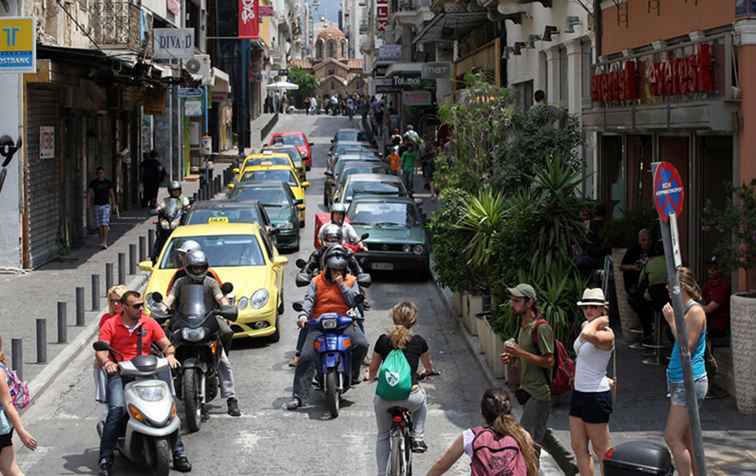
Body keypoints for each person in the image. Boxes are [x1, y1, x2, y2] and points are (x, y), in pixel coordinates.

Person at [96, 291, 191, 475]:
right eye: (136, 306)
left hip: (148, 372)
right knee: (116, 409)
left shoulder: (149, 322)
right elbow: (101, 351)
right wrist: (108, 363)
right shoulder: (111, 324)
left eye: (141, 305)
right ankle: (105, 457)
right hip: (121, 373)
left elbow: (165, 343)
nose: (141, 308)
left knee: (168, 409)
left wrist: (170, 355)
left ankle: (179, 453)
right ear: (124, 307)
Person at [500, 284, 579, 476]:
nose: (513, 303)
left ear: (530, 302)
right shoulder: (523, 326)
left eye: (517, 300)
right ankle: (573, 470)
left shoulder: (542, 328)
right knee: (542, 435)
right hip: (528, 390)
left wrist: (520, 352)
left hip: (539, 392)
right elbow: (527, 354)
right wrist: (512, 357)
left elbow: (548, 361)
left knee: (526, 441)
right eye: (513, 299)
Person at [284, 252, 369, 410]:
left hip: (344, 322)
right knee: (306, 355)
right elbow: (309, 299)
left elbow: (354, 301)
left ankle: (353, 374)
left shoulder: (351, 281)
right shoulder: (316, 281)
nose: (337, 273)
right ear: (326, 268)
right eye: (333, 270)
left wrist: (341, 285)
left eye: (340, 270)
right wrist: (303, 315)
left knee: (361, 343)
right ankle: (299, 397)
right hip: (319, 323)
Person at [162, 250, 241, 417]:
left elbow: (220, 298)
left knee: (224, 356)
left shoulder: (211, 282)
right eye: (194, 268)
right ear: (188, 267)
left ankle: (231, 398)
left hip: (207, 320)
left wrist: (225, 308)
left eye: (201, 268)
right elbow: (170, 298)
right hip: (185, 321)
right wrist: (162, 309)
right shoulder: (180, 282)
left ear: (205, 267)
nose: (198, 271)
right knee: (164, 340)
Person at [367, 302, 434, 476]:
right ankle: (418, 436)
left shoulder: (383, 340)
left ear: (393, 317)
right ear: (414, 321)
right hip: (410, 397)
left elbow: (373, 368)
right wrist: (426, 372)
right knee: (422, 398)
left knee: (382, 435)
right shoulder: (419, 341)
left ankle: (382, 473)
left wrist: (371, 377)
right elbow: (428, 367)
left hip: (385, 400)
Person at [427, 388, 537, 476]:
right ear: (509, 411)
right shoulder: (522, 435)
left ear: (482, 413)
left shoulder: (472, 436)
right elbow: (531, 469)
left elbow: (441, 466)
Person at [662, 267, 708, 476]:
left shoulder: (695, 311)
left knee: (672, 437)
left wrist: (672, 321)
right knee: (689, 440)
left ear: (682, 287)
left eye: (671, 285)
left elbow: (686, 346)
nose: (667, 289)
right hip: (680, 381)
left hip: (688, 381)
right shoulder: (686, 310)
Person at [570, 289, 615, 476]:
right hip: (579, 392)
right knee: (578, 447)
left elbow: (588, 335)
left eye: (594, 307)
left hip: (596, 395)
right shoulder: (585, 325)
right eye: (586, 306)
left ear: (602, 309)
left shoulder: (607, 334)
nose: (589, 310)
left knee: (602, 451)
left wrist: (599, 321)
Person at [0, 336, 38, 476]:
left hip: (2, 427)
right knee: (9, 469)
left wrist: (22, 432)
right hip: (4, 427)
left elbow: (8, 404)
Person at [701, 256, 729, 400]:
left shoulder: (723, 286)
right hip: (707, 323)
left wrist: (695, 307)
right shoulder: (708, 285)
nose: (711, 271)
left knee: (703, 339)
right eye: (709, 268)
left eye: (714, 268)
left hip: (718, 326)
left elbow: (709, 308)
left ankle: (709, 382)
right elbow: (700, 299)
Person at [620, 229, 654, 345]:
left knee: (646, 302)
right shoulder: (633, 250)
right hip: (634, 285)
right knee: (638, 301)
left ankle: (650, 330)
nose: (646, 243)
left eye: (648, 240)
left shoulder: (654, 250)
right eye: (643, 240)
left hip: (650, 285)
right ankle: (648, 331)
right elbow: (622, 266)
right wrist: (634, 267)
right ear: (639, 240)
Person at [88, 167, 117, 249]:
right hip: (97, 205)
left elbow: (111, 194)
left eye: (101, 173)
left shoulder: (108, 182)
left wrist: (114, 204)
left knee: (104, 223)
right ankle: (101, 240)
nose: (100, 174)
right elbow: (90, 193)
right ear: (96, 174)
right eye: (99, 173)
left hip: (106, 205)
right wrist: (88, 204)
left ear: (104, 173)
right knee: (99, 224)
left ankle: (105, 241)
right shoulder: (93, 183)